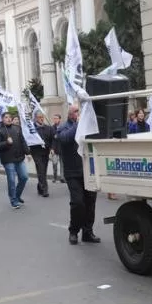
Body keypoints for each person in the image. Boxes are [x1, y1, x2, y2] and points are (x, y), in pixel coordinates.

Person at [56, 104, 100, 245]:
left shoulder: (86, 127)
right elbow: (64, 139)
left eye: (79, 112)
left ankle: (88, 232)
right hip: (72, 172)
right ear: (70, 114)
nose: (78, 113)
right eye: (76, 111)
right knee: (78, 203)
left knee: (90, 202)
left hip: (88, 171)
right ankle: (73, 231)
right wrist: (79, 125)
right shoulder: (64, 127)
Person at [0, 113, 30, 209]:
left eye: (10, 117)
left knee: (24, 177)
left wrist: (28, 152)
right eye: (6, 117)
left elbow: (22, 141)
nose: (9, 119)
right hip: (8, 159)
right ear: (2, 119)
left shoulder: (17, 128)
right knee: (12, 180)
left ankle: (17, 195)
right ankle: (13, 200)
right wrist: (6, 142)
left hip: (19, 157)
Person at [31, 112, 55, 197]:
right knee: (41, 170)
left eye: (42, 117)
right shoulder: (32, 129)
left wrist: (52, 148)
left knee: (43, 171)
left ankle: (39, 186)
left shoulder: (48, 128)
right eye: (39, 117)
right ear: (36, 118)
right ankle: (45, 190)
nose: (41, 119)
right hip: (36, 152)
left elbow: (53, 139)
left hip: (45, 153)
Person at [50, 114, 65, 183]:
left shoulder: (63, 127)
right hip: (54, 149)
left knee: (62, 164)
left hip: (62, 148)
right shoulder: (52, 128)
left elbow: (65, 136)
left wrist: (58, 136)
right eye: (54, 118)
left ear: (59, 119)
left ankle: (62, 177)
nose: (55, 120)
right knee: (54, 164)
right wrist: (51, 149)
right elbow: (51, 139)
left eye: (56, 118)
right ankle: (55, 177)